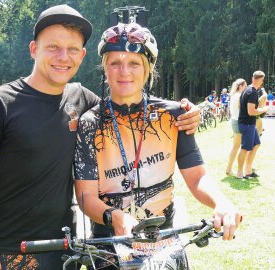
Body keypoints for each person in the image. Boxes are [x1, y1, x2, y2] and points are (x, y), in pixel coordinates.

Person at [0, 5, 200, 270]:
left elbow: (124, 106)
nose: (63, 57)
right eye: (52, 47)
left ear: (83, 55)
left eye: (72, 49)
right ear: (33, 49)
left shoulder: (82, 100)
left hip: (65, 249)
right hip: (7, 251)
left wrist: (186, 113)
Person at [74, 22, 241, 269]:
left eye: (134, 63)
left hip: (163, 241)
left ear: (149, 68)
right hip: (109, 243)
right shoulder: (90, 122)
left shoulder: (175, 115)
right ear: (104, 68)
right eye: (115, 63)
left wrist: (222, 202)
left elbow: (196, 177)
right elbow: (85, 196)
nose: (124, 71)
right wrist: (116, 217)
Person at [236, 71, 269, 179]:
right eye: (262, 80)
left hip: (249, 124)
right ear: (260, 80)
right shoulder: (253, 92)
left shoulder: (247, 89)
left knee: (256, 144)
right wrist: (264, 109)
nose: (262, 82)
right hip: (247, 124)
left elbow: (241, 107)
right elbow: (251, 112)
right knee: (245, 148)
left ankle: (248, 171)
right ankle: (239, 173)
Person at [225, 79, 247, 176]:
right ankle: (229, 169)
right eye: (245, 86)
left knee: (236, 146)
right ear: (240, 86)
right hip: (238, 121)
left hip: (235, 120)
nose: (246, 88)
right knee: (237, 146)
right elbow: (241, 109)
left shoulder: (234, 95)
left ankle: (229, 168)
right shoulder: (239, 96)